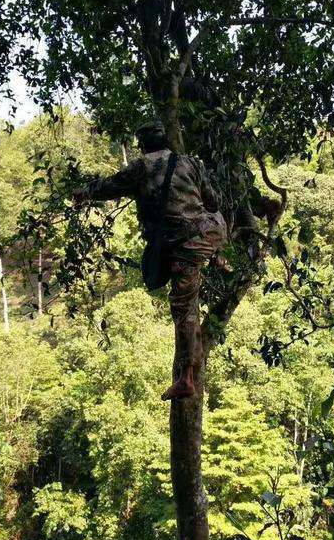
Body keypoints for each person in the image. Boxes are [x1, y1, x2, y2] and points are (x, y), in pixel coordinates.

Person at [74, 124, 227, 401]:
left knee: (183, 308)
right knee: (189, 254)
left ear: (143, 146)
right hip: (212, 231)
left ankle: (187, 378)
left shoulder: (142, 167)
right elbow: (213, 201)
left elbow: (109, 186)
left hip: (185, 245)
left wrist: (84, 192)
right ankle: (216, 255)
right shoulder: (190, 162)